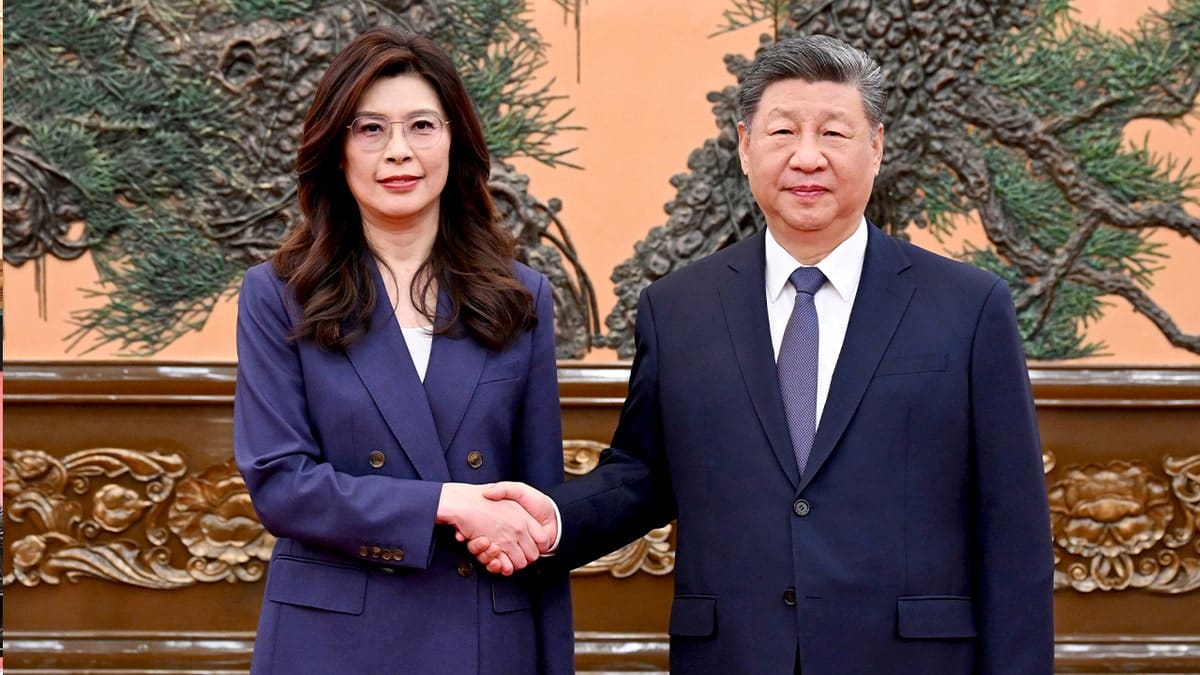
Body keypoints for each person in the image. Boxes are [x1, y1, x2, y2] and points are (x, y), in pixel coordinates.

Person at [474, 34, 1054, 674]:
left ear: (877, 147)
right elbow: (644, 475)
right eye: (783, 133)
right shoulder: (678, 309)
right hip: (734, 655)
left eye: (834, 133)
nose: (808, 158)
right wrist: (551, 518)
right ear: (746, 146)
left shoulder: (968, 307)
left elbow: (1014, 530)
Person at [233, 28, 572, 675]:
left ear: (455, 142)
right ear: (337, 150)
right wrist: (450, 502)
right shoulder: (278, 293)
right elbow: (280, 484)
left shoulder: (521, 297)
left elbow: (537, 510)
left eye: (421, 125)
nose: (399, 152)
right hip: (331, 643)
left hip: (482, 637)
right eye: (369, 129)